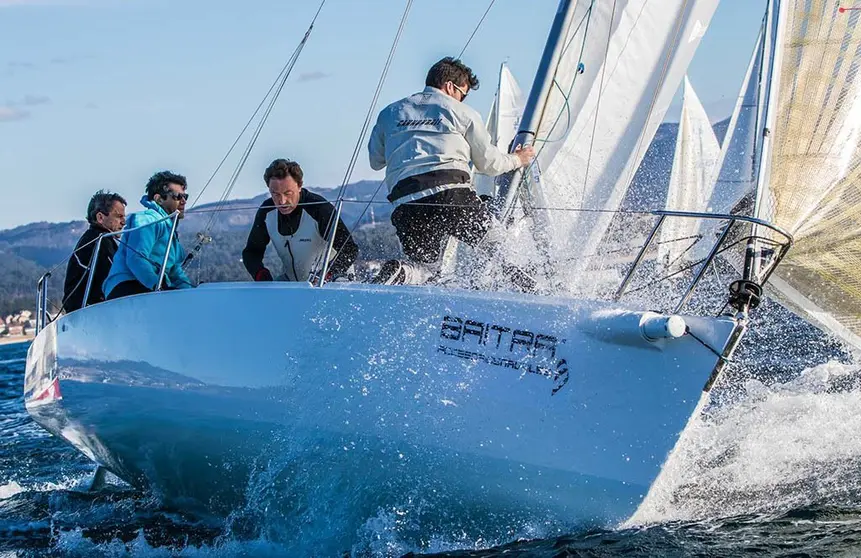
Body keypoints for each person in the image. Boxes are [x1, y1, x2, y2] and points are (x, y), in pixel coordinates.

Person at [367, 56, 535, 286]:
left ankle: (402, 272)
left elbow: (375, 161)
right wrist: (518, 158)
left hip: (406, 202)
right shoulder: (461, 112)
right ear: (449, 86)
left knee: (425, 268)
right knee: (496, 244)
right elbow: (489, 164)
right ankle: (532, 288)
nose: (463, 99)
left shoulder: (389, 112)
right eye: (463, 94)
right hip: (449, 194)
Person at [242, 159, 358, 283]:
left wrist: (325, 275)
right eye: (275, 194)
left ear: (299, 186)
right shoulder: (267, 212)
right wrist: (261, 275)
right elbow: (251, 253)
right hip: (293, 283)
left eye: (288, 193)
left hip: (332, 281)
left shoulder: (319, 209)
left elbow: (350, 249)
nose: (282, 201)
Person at [103, 171, 194, 299]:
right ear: (159, 199)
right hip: (126, 286)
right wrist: (158, 285)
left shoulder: (171, 234)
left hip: (151, 288)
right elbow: (136, 258)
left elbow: (175, 272)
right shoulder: (147, 220)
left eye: (186, 196)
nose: (183, 201)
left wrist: (192, 293)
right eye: (178, 196)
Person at [62, 190, 127, 313]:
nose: (124, 222)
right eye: (119, 216)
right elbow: (115, 279)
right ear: (100, 217)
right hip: (90, 313)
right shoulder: (100, 243)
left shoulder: (94, 239)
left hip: (84, 313)